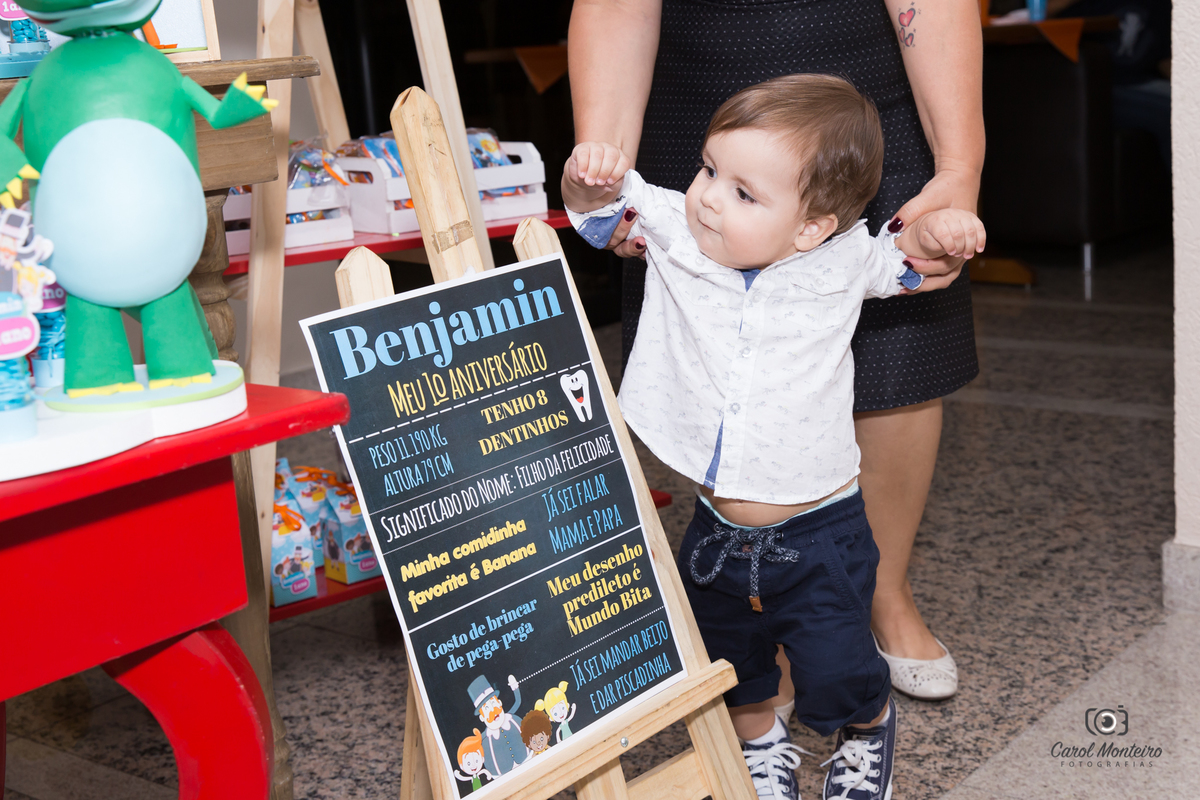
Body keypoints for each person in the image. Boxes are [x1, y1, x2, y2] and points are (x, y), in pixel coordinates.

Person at [562, 74, 985, 800]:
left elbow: (906, 262)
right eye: (708, 170)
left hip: (821, 534)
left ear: (812, 227)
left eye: (743, 193)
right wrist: (587, 179)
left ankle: (867, 728)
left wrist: (934, 232)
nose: (708, 198)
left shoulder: (842, 259)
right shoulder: (676, 231)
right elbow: (600, 216)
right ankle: (761, 743)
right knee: (735, 664)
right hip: (715, 530)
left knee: (838, 663)